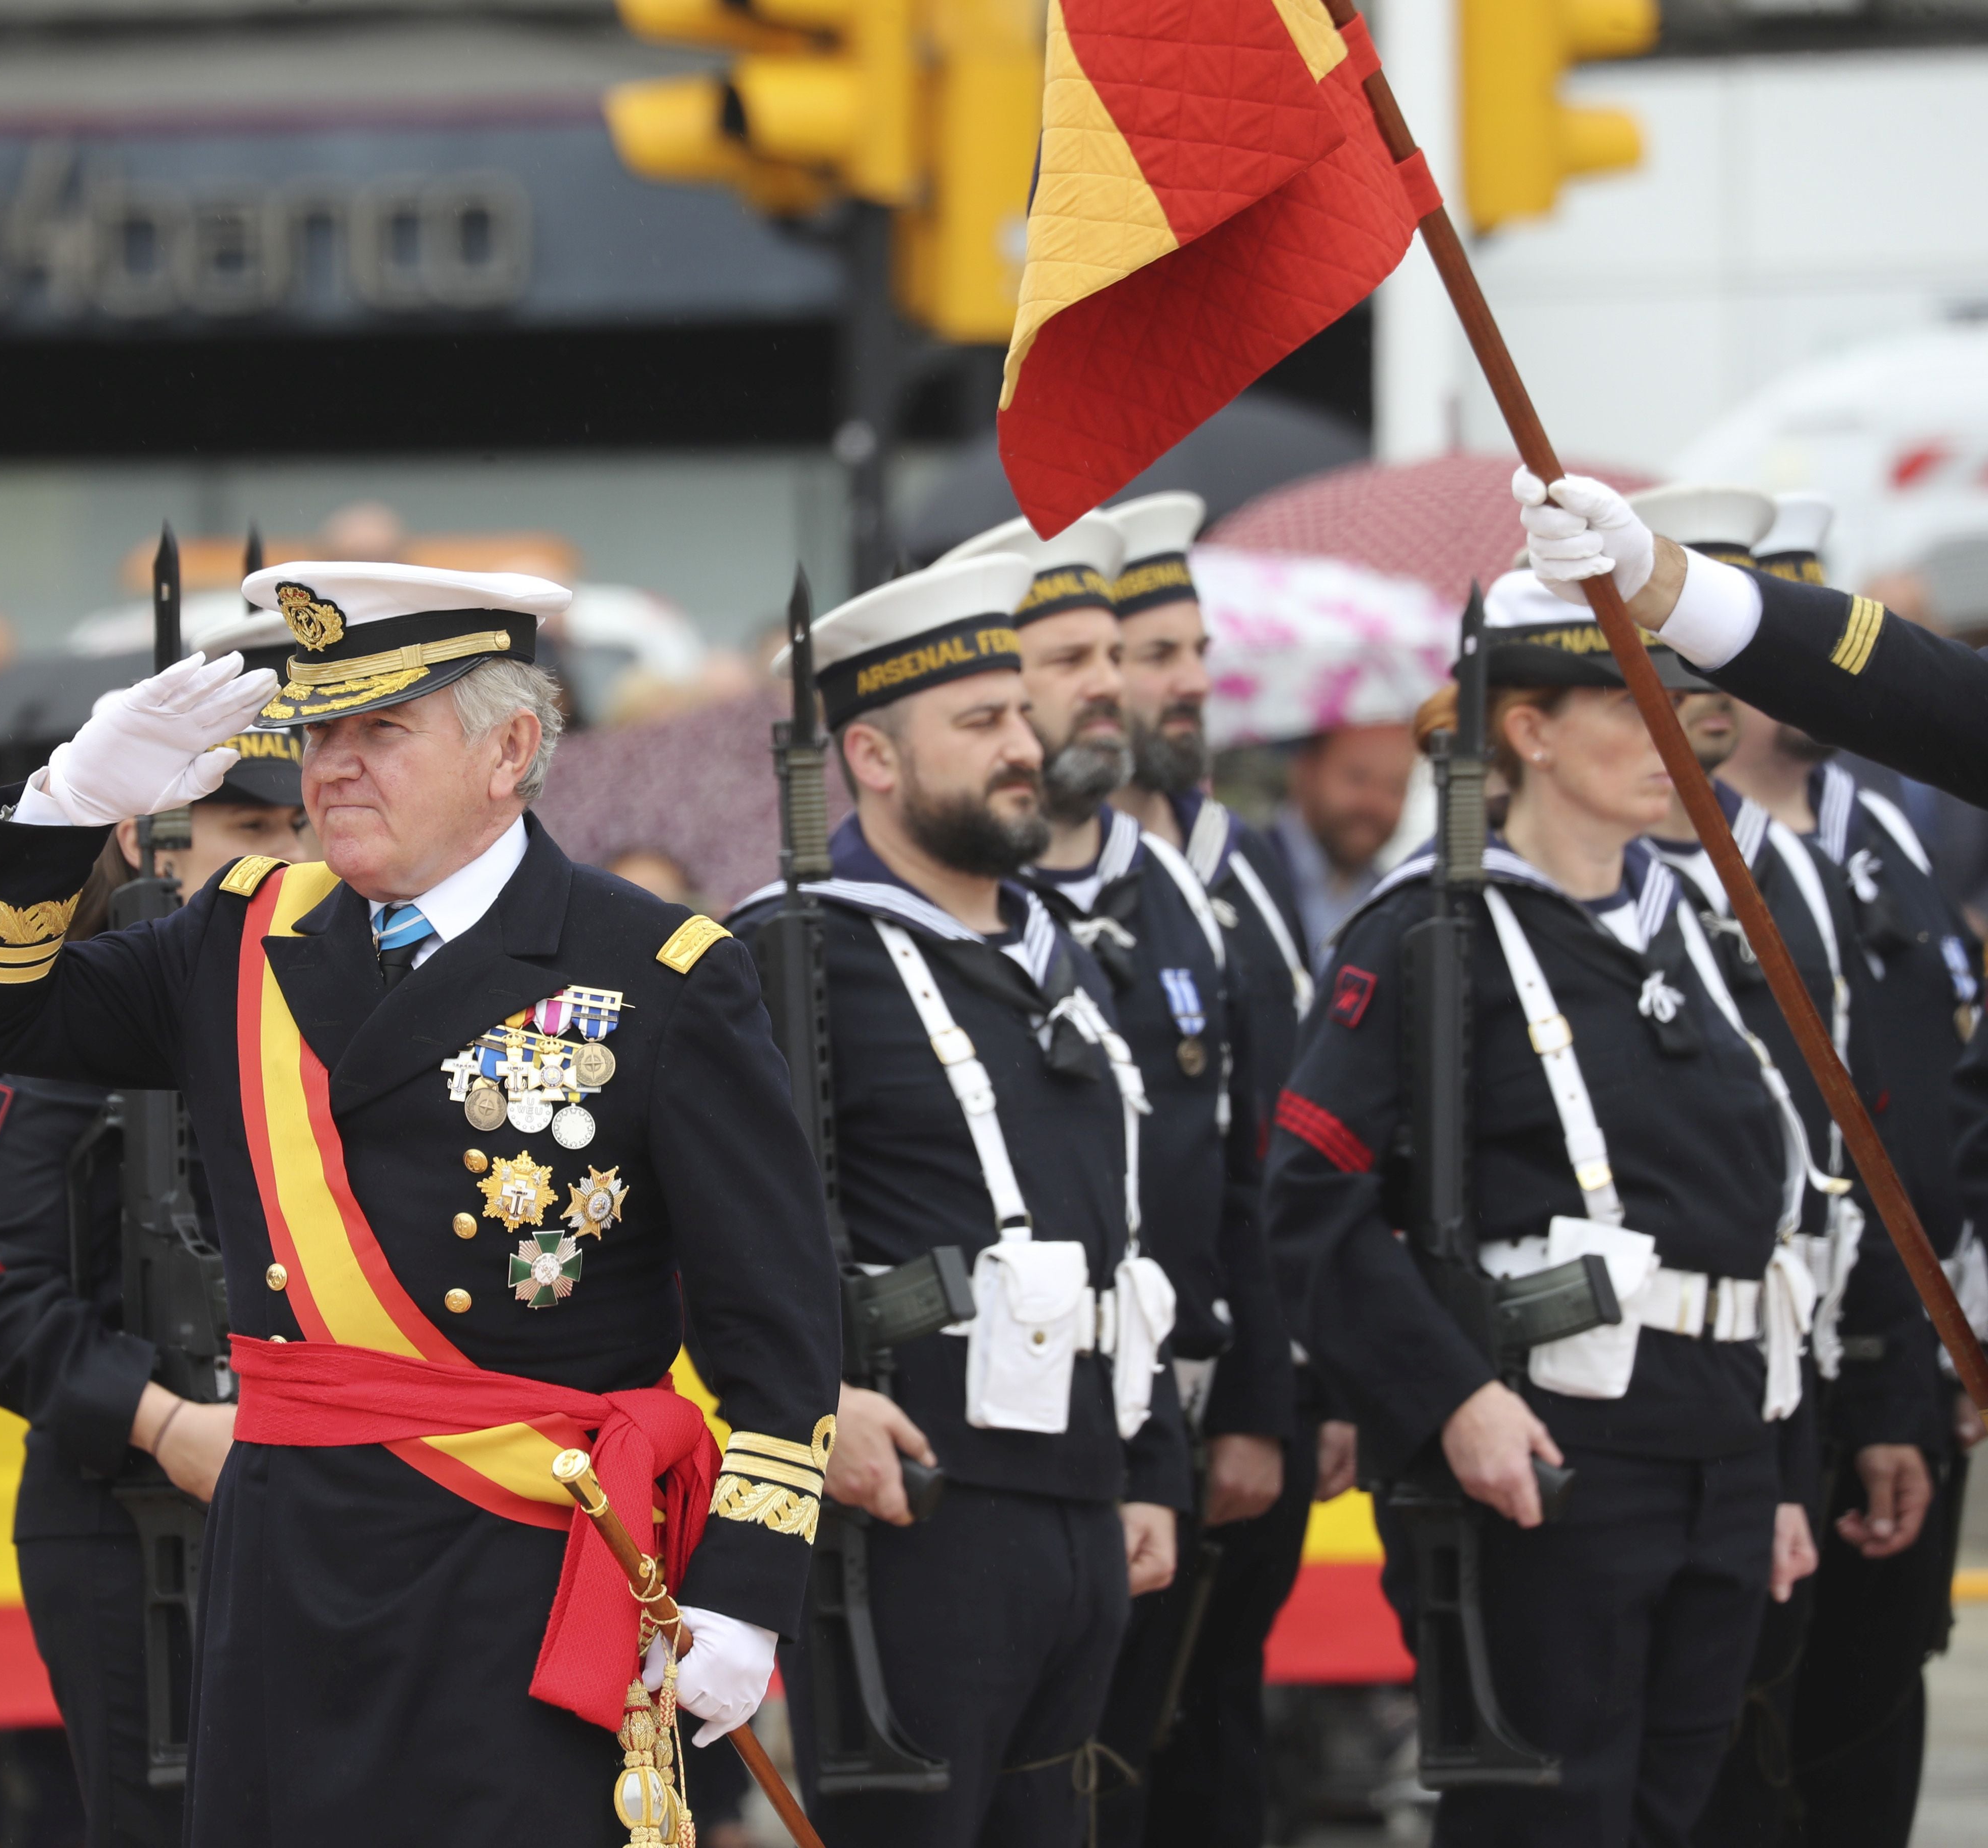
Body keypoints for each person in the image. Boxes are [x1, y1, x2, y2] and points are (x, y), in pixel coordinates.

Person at [0, 560, 841, 1846]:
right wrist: (67, 808)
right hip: (289, 1567)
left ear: (509, 748)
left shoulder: (658, 972)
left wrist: (742, 1596)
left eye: (379, 731)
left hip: (525, 1559)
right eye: (317, 732)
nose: (332, 767)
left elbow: (774, 1323)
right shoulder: (242, 933)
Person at [1265, 582, 1828, 1845]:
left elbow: (1755, 1217)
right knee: (1545, 1820)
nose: (1673, 738)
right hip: (1550, 1454)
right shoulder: (1426, 933)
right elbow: (1310, 1201)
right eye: (1629, 709)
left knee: (1673, 1816)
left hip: (1722, 1451)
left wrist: (1780, 1472)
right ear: (1526, 731)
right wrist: (1449, 1401)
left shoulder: (1697, 930)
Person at [728, 552, 1189, 1848]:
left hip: (1080, 1492)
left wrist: (1145, 1468)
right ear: (869, 759)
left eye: (1016, 718)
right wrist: (806, 1400)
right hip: (914, 1502)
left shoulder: (1054, 952)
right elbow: (725, 1223)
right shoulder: (796, 944)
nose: (1020, 750)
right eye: (978, 725)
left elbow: (1119, 1224)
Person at [0, 608, 310, 1846]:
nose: (284, 853)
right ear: (161, 839)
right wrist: (163, 1422)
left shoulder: (325, 1018)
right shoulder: (74, 1028)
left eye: (297, 824)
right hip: (125, 1512)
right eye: (249, 828)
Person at [1691, 507, 1971, 1848]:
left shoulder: (1886, 841)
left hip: (1887, 1359)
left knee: (1863, 1733)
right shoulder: (1682, 867)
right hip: (1762, 1377)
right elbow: (1923, 689)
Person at [1092, 494, 1328, 1844]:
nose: (1191, 680)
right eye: (1152, 651)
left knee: (1213, 1736)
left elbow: (1272, 1154)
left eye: (1194, 648)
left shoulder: (1233, 868)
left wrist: (1285, 1390)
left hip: (1231, 1391)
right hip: (1093, 1406)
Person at [1515, 470, 1988, 811]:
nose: (1703, 704)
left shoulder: (1868, 828)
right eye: (1625, 704)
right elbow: (1939, 695)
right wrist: (1657, 581)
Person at [1271, 724, 1416, 957]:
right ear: (1304, 769)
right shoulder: (1240, 875)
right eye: (1358, 777)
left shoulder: (1396, 902)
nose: (1374, 803)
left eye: (1395, 787)